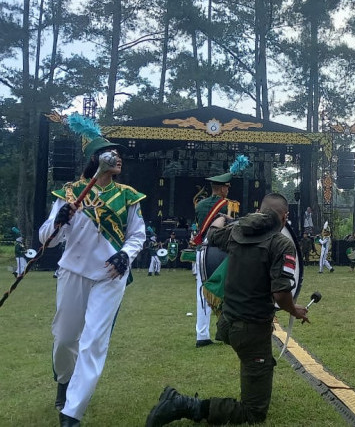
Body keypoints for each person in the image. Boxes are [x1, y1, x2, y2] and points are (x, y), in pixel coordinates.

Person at [145, 193, 309, 427]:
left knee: (254, 367)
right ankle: (182, 404)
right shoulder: (282, 243)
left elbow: (211, 235)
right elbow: (281, 295)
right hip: (251, 329)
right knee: (254, 413)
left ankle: (254, 378)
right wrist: (295, 310)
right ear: (285, 217)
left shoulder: (237, 231)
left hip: (228, 321)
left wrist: (221, 218)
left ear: (260, 210)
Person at [39, 136, 146, 427]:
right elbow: (47, 240)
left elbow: (138, 235)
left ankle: (72, 412)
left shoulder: (128, 195)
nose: (118, 157)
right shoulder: (70, 192)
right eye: (111, 153)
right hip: (73, 272)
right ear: (95, 159)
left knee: (93, 342)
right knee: (65, 338)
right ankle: (64, 380)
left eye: (119, 154)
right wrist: (59, 219)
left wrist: (125, 254)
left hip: (109, 276)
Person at [192, 171, 234, 348]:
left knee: (203, 291)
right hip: (223, 250)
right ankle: (226, 330)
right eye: (227, 187)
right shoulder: (228, 205)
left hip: (203, 250)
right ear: (223, 189)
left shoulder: (200, 205)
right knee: (228, 290)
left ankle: (202, 335)